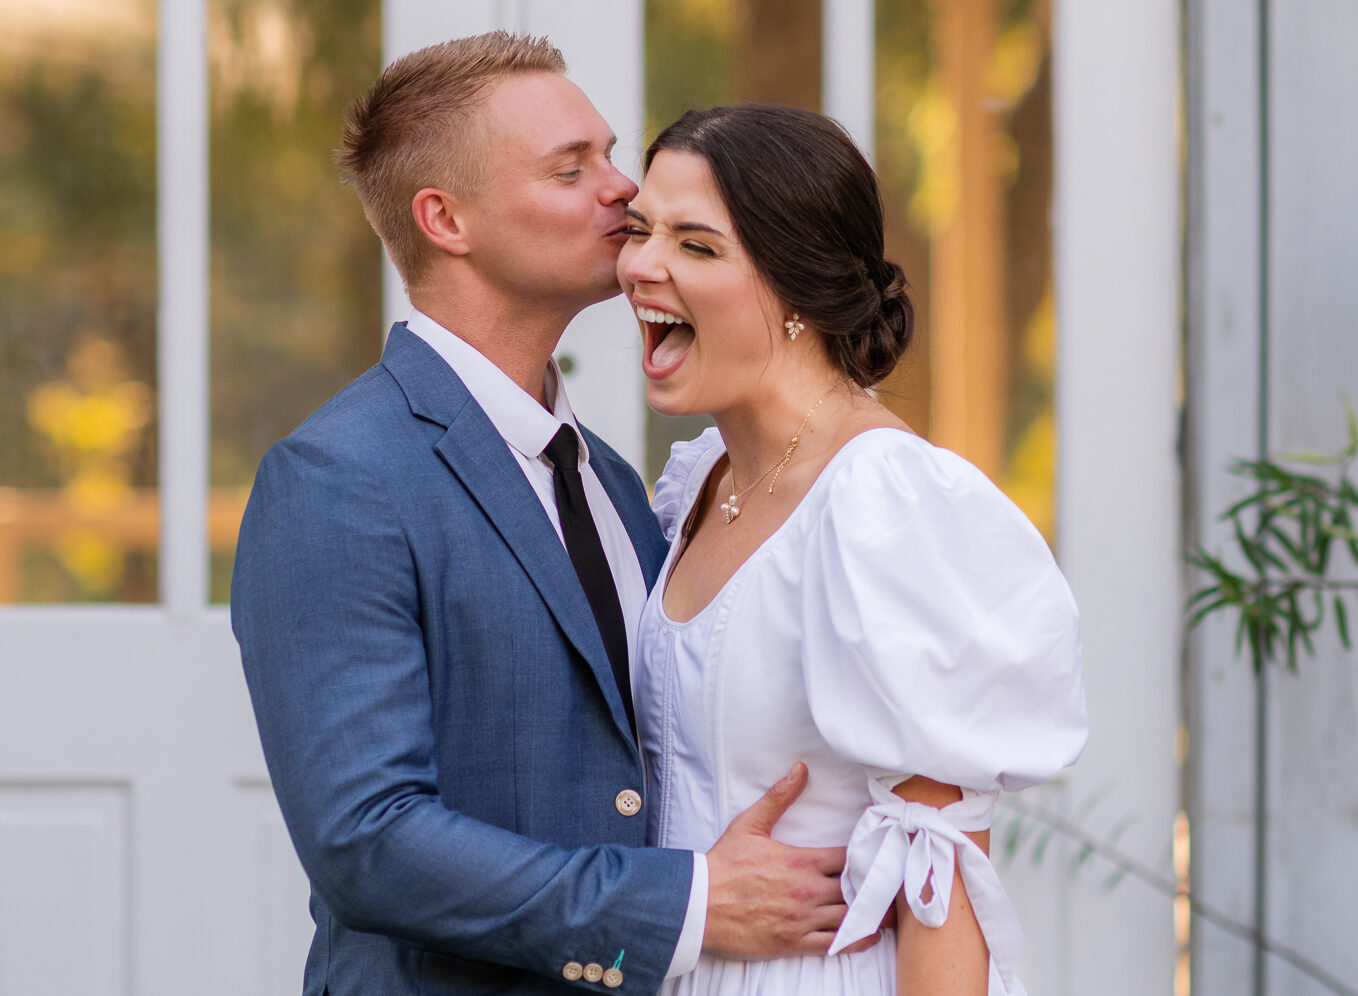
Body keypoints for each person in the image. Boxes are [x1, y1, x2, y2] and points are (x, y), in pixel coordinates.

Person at [231, 36, 865, 996]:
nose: (625, 192)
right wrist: (688, 904)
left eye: (611, 156)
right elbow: (365, 840)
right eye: (572, 169)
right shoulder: (337, 477)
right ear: (446, 219)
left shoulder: (615, 481)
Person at [617, 103, 1089, 996]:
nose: (640, 266)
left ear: (798, 291)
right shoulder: (697, 485)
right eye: (640, 231)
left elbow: (942, 880)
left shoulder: (886, 505)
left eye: (696, 245)